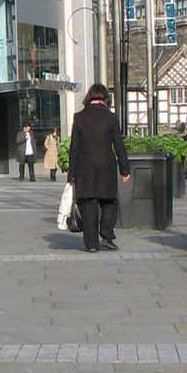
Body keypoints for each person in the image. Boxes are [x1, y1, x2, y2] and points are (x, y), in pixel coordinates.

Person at [68, 83, 129, 252]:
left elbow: (74, 147)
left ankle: (92, 244)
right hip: (106, 167)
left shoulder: (79, 117)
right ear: (105, 99)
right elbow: (118, 144)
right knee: (110, 201)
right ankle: (107, 233)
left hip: (84, 168)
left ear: (89, 97)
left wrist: (71, 175)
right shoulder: (111, 117)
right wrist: (125, 169)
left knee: (88, 205)